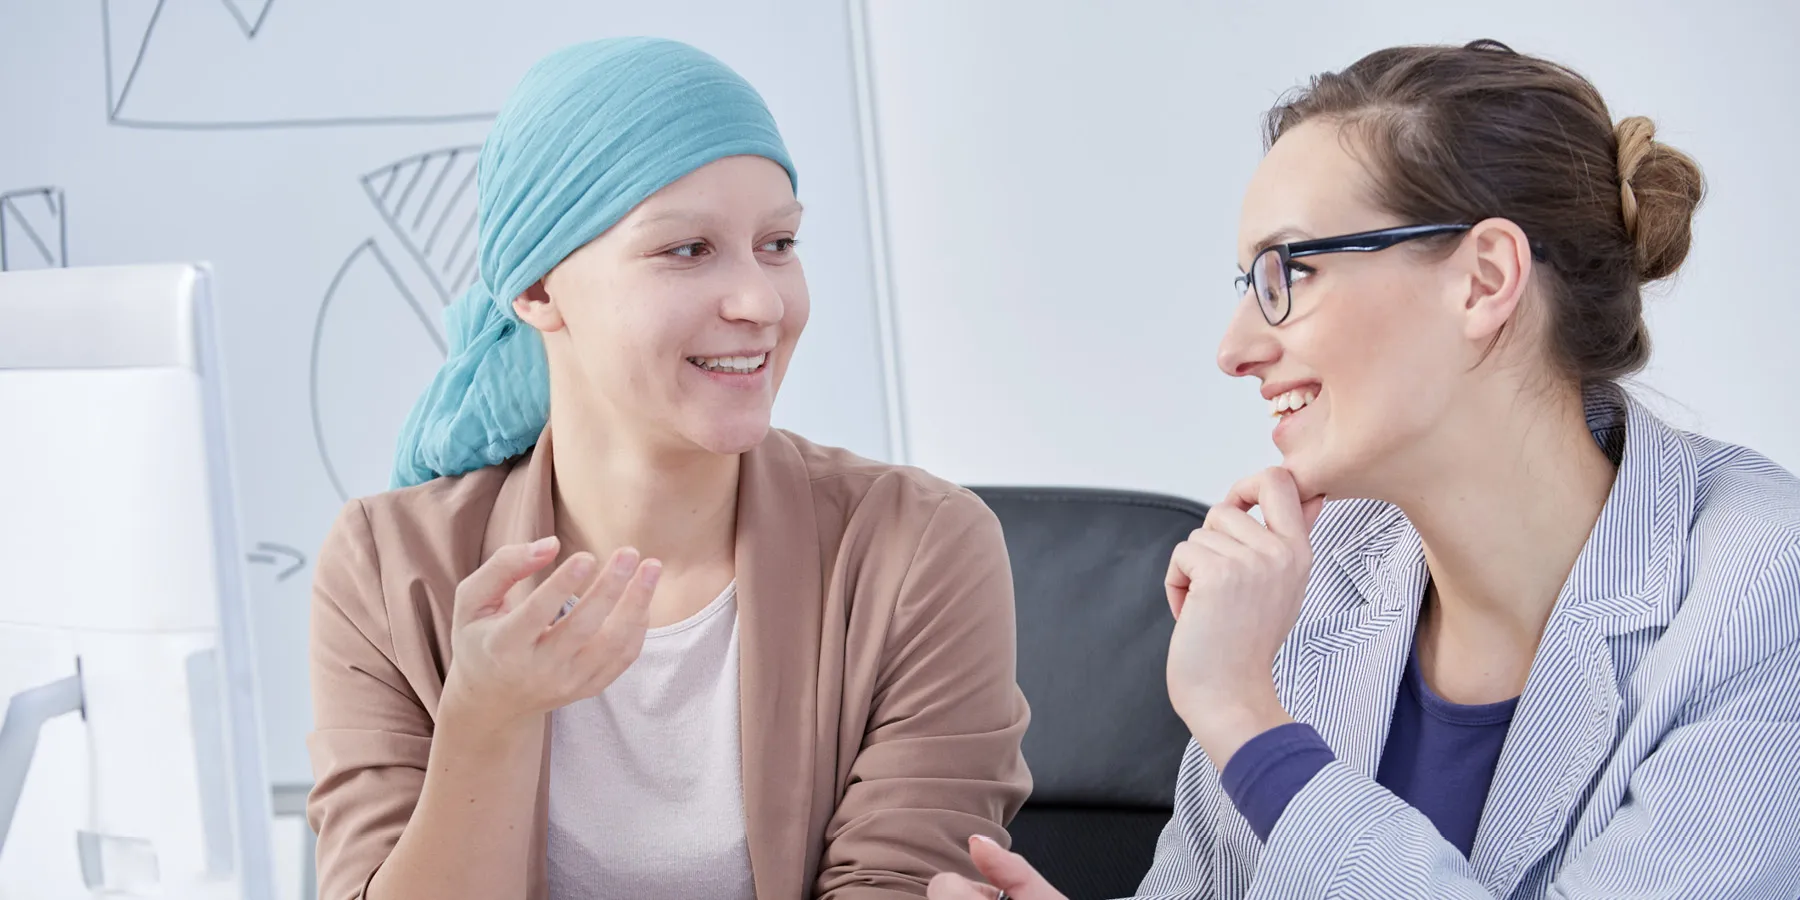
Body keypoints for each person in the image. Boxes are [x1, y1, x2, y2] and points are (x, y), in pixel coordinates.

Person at [930, 39, 1800, 900]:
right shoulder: (1315, 572)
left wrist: (1249, 726)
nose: (1234, 350)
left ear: (1483, 279)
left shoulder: (1765, 589)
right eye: (1248, 282)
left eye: (1290, 273)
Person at [306, 37, 1030, 900]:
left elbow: (899, 881)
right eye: (687, 250)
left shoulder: (919, 548)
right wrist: (486, 721)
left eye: (778, 243)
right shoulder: (387, 567)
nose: (761, 302)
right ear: (536, 290)